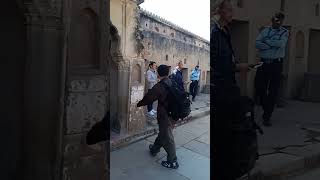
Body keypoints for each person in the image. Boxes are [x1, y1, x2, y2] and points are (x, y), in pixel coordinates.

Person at [211, 0, 252, 179]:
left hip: (227, 86)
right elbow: (216, 64)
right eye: (229, 10)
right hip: (220, 88)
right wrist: (236, 67)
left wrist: (237, 66)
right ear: (220, 11)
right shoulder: (214, 32)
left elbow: (226, 60)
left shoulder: (224, 31)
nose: (232, 13)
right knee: (221, 132)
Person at [137, 64, 179, 169]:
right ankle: (154, 149)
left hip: (165, 115)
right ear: (168, 73)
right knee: (164, 133)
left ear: (158, 74)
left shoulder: (160, 86)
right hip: (175, 114)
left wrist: (138, 104)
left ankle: (173, 161)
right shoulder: (173, 82)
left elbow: (148, 98)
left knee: (167, 137)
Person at [255, 12, 289, 127]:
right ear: (272, 20)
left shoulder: (284, 32)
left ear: (282, 21)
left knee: (273, 91)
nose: (277, 22)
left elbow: (281, 44)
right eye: (275, 19)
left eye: (280, 20)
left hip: (276, 64)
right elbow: (257, 43)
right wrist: (271, 45)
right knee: (259, 87)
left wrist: (267, 42)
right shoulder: (265, 30)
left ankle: (267, 116)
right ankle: (266, 108)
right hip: (264, 63)